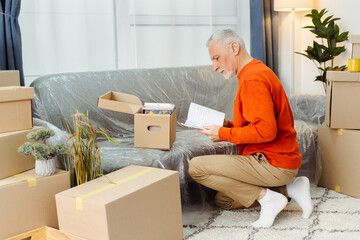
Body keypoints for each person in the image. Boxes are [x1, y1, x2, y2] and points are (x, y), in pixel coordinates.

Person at [188, 29, 313, 228]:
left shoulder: (252, 79)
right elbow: (256, 123)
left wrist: (222, 134)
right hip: (278, 161)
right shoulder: (254, 71)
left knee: (196, 167)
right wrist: (227, 125)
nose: (214, 67)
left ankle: (269, 199)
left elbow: (266, 131)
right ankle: (289, 189)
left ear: (234, 48)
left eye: (217, 58)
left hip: (273, 162)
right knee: (224, 199)